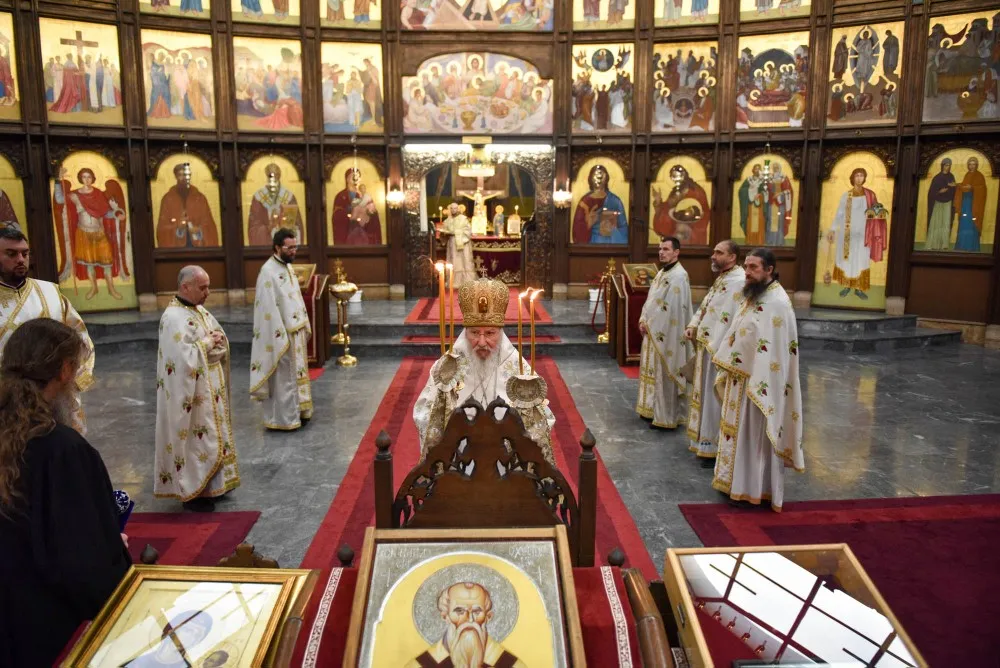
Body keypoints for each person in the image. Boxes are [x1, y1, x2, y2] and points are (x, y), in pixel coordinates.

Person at [0, 319, 131, 667]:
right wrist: (113, 548)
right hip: (42, 627)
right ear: (65, 370)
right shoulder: (62, 450)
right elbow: (83, 563)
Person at [413, 278, 555, 463]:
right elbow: (423, 413)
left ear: (500, 333)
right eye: (474, 333)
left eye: (489, 333)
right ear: (465, 333)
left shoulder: (517, 367)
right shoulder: (446, 369)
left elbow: (543, 420)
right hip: (458, 462)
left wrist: (511, 435)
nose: (481, 342)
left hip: (507, 464)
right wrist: (450, 427)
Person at [711, 249, 804, 511]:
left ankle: (752, 489)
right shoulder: (754, 294)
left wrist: (756, 378)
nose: (747, 272)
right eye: (747, 266)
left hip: (758, 384)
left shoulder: (778, 303)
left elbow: (774, 351)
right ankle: (733, 484)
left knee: (753, 437)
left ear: (769, 270)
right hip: (738, 377)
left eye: (753, 268)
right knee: (737, 435)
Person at [154, 266, 239, 513]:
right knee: (195, 438)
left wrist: (218, 341)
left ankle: (213, 485)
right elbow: (180, 359)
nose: (208, 293)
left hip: (208, 386)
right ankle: (194, 491)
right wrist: (207, 343)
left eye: (208, 286)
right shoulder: (172, 318)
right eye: (203, 288)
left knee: (211, 436)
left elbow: (215, 338)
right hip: (189, 393)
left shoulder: (199, 310)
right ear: (185, 287)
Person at [0, 227, 95, 434]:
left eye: (25, 253)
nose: (20, 259)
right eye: (11, 254)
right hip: (7, 400)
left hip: (55, 396)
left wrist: (73, 380)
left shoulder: (50, 292)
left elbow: (80, 338)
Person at [685, 241, 745, 467]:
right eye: (714, 252)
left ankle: (714, 445)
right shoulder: (724, 277)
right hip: (707, 344)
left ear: (732, 257)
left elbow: (733, 317)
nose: (713, 256)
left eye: (719, 253)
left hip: (718, 348)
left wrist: (718, 343)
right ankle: (704, 441)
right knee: (705, 396)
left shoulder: (738, 282)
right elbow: (707, 306)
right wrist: (693, 324)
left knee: (714, 397)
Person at [250, 229, 312, 430]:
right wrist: (280, 336)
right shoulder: (268, 272)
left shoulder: (287, 267)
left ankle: (301, 410)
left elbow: (295, 298)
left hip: (296, 332)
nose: (294, 251)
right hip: (282, 334)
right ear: (277, 247)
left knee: (297, 375)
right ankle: (284, 419)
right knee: (284, 379)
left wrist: (304, 323)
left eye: (296, 247)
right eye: (290, 247)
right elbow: (268, 309)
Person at [636, 236, 693, 430]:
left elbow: (672, 310)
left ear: (676, 252)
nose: (661, 252)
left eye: (666, 249)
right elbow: (652, 300)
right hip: (654, 330)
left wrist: (649, 323)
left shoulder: (679, 276)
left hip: (668, 334)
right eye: (660, 249)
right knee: (653, 371)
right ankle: (651, 409)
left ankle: (666, 417)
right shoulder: (662, 272)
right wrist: (644, 318)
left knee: (665, 374)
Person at [406, 582, 525, 668]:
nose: (470, 620)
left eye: (477, 611)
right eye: (459, 611)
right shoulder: (422, 665)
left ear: (488, 617)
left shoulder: (511, 665)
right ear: (445, 616)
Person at [156, 163, 219, 248]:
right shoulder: (168, 199)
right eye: (180, 175)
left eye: (186, 175)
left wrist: (199, 230)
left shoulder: (199, 198)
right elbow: (162, 230)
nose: (183, 178)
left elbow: (209, 226)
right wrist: (178, 228)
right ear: (176, 176)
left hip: (198, 249)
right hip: (176, 251)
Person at [246, 163, 304, 246]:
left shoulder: (289, 197)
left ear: (279, 177)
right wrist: (268, 228)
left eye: (275, 179)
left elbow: (297, 226)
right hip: (266, 246)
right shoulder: (258, 197)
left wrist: (286, 228)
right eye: (270, 179)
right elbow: (253, 229)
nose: (272, 183)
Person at [572, 164, 628, 244]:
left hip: (612, 244)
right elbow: (577, 230)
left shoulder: (615, 200)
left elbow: (623, 227)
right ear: (590, 178)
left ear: (607, 178)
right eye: (595, 175)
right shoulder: (585, 202)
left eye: (602, 174)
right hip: (592, 244)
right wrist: (588, 224)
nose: (599, 178)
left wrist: (613, 228)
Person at [954, 156, 987, 252]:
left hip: (974, 205)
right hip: (965, 203)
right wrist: (958, 185)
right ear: (968, 165)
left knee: (972, 222)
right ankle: (961, 246)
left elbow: (982, 189)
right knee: (964, 222)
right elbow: (964, 186)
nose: (972, 166)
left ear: (976, 165)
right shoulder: (967, 174)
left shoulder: (980, 176)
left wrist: (973, 188)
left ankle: (972, 247)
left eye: (973, 164)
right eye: (970, 164)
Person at [440, 202, 475, 286]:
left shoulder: (463, 219)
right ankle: (453, 281)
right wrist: (444, 233)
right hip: (452, 243)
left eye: (455, 208)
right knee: (454, 261)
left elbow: (468, 231)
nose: (453, 210)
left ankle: (465, 280)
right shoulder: (447, 220)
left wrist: (455, 232)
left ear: (458, 209)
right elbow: (443, 231)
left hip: (462, 244)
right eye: (451, 208)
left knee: (463, 261)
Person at [925, 158, 957, 250]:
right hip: (938, 202)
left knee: (946, 223)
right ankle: (934, 244)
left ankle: (944, 244)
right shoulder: (937, 177)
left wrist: (953, 187)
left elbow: (954, 189)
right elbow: (931, 193)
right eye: (946, 165)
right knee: (937, 223)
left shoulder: (951, 176)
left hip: (948, 203)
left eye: (949, 165)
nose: (947, 167)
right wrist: (939, 192)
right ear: (942, 166)